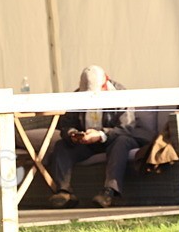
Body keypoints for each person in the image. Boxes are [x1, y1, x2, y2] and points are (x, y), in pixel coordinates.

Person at [48, 65, 155, 209]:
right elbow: (65, 124)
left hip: (113, 138)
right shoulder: (78, 94)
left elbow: (126, 127)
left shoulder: (120, 94)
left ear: (105, 84)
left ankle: (109, 192)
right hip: (87, 141)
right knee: (61, 145)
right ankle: (64, 192)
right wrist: (73, 134)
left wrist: (100, 135)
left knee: (121, 142)